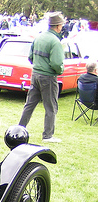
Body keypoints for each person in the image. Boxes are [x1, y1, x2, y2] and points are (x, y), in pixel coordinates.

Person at [18, 12, 65, 143]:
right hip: (48, 77)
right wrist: (60, 70)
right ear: (58, 26)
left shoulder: (38, 37)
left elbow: (30, 57)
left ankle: (19, 129)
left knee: (29, 104)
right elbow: (57, 64)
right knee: (51, 107)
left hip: (35, 75)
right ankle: (48, 135)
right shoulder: (55, 42)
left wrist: (39, 66)